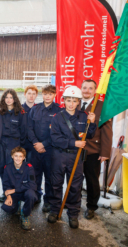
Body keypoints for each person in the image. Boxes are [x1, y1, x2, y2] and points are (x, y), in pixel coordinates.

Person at [47, 86, 96, 229]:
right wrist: (73, 142)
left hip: (76, 157)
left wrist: (92, 123)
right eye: (68, 100)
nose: (71, 104)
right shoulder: (57, 117)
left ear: (78, 102)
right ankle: (55, 210)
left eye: (74, 101)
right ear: (64, 101)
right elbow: (54, 138)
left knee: (75, 186)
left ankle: (73, 213)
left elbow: (90, 135)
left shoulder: (83, 116)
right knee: (56, 184)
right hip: (59, 155)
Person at [79, 79, 112, 220]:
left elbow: (107, 130)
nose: (86, 90)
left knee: (92, 180)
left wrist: (105, 152)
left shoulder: (102, 106)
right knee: (74, 179)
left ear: (95, 90)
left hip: (93, 150)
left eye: (90, 88)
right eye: (84, 87)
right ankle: (73, 202)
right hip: (75, 149)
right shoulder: (74, 103)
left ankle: (91, 206)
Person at [27, 84, 62, 212]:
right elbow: (29, 128)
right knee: (35, 174)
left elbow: (59, 132)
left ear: (55, 95)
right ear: (42, 95)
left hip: (50, 150)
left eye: (50, 94)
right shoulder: (35, 109)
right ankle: (36, 196)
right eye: (45, 94)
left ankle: (48, 201)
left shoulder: (59, 110)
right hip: (35, 149)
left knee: (49, 176)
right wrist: (36, 143)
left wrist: (44, 144)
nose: (48, 96)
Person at [0, 89, 26, 202]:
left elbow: (23, 130)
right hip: (1, 143)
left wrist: (20, 147)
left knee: (13, 168)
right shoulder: (0, 112)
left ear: (15, 99)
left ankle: (15, 192)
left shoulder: (20, 112)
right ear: (4, 99)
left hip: (14, 143)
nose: (9, 100)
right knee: (2, 169)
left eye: (11, 97)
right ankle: (5, 191)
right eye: (6, 97)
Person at [1, 147, 37, 230]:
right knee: (8, 208)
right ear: (12, 156)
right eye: (16, 156)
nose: (18, 158)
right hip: (14, 194)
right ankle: (16, 204)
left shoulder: (29, 168)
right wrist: (8, 196)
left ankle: (25, 214)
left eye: (20, 156)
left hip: (25, 192)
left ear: (24, 158)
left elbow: (32, 185)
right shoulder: (7, 168)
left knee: (31, 195)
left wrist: (14, 190)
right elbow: (5, 184)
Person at [21, 85, 38, 162]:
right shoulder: (19, 109)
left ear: (36, 95)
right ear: (25, 94)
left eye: (33, 94)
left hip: (33, 145)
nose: (31, 96)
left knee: (31, 168)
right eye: (29, 93)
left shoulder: (39, 110)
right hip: (20, 143)